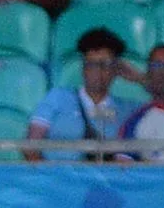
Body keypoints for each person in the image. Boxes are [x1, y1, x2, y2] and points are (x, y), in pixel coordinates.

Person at [25, 27, 139, 162]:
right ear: (83, 68)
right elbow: (30, 147)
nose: (98, 71)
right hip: (58, 178)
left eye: (105, 65)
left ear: (116, 69)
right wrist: (52, 179)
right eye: (92, 64)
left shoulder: (128, 109)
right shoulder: (58, 97)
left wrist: (139, 78)